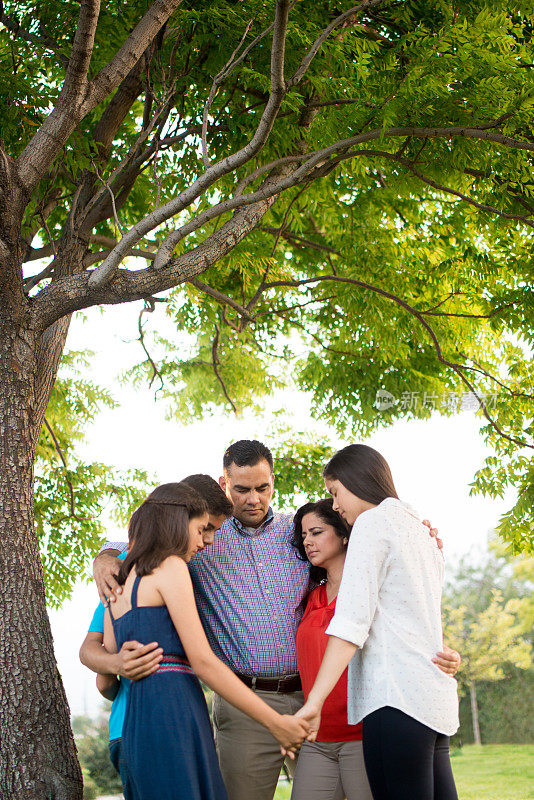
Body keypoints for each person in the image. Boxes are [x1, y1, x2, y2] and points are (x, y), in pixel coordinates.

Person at [93, 441, 458, 800]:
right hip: (243, 703)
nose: (253, 498)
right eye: (242, 489)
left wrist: (414, 536)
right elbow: (147, 540)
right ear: (224, 485)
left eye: (262, 487)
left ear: (273, 482)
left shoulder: (298, 533)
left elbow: (368, 585)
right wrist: (106, 556)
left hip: (308, 697)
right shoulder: (202, 539)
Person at [102, 481, 309, 800]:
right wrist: (276, 722)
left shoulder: (117, 584)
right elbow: (203, 662)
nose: (204, 541)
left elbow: (106, 678)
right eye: (200, 530)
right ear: (177, 522)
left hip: (134, 721)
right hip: (173, 709)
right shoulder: (171, 567)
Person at [297, 445, 460, 800]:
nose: (336, 506)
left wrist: (314, 702)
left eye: (335, 493)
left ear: (357, 481)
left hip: (394, 701)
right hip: (432, 703)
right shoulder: (420, 529)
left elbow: (352, 622)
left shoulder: (372, 522)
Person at [79, 474, 234, 787]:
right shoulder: (126, 570)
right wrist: (115, 664)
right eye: (206, 528)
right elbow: (93, 652)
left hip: (171, 716)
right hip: (143, 720)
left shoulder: (174, 567)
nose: (208, 541)